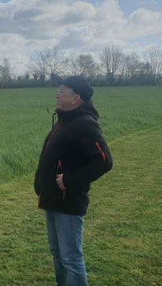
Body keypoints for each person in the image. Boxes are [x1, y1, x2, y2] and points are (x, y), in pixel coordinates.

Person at [34, 76, 112, 286]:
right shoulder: (64, 121)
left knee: (71, 258)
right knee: (58, 254)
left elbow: (104, 161)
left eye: (62, 92)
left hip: (68, 202)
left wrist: (70, 179)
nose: (57, 95)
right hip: (53, 199)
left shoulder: (85, 124)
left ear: (76, 98)